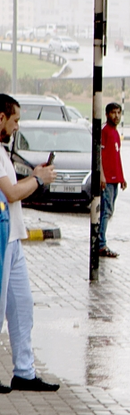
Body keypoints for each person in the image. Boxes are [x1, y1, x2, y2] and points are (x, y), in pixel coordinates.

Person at [0, 94, 59, 392]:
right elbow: (11, 193)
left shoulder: (2, 152)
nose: (16, 127)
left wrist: (35, 176)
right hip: (2, 240)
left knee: (22, 306)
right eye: (15, 121)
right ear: (1, 118)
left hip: (14, 239)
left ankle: (24, 371)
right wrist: (39, 179)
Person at [99, 102, 126, 258]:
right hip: (107, 180)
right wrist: (102, 175)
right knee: (105, 211)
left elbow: (116, 157)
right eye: (113, 113)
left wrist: (122, 178)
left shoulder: (115, 133)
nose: (116, 116)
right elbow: (100, 156)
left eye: (118, 113)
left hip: (115, 179)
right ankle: (101, 244)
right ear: (107, 114)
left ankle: (102, 241)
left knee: (109, 211)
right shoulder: (105, 132)